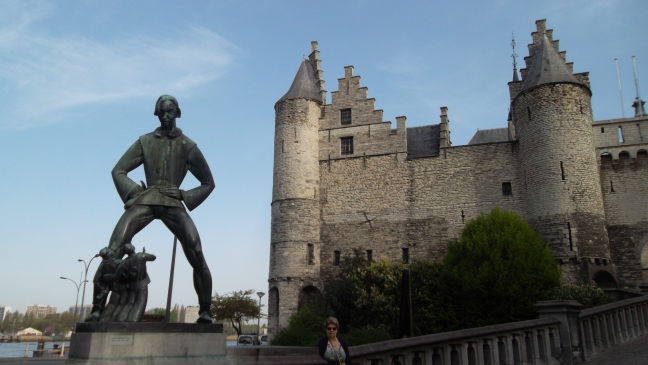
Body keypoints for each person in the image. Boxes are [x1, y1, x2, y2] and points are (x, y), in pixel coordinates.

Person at [104, 95, 215, 323]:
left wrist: (184, 195)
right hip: (146, 199)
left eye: (169, 112)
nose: (166, 116)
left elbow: (208, 182)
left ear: (176, 113)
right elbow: (118, 170)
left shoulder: (188, 145)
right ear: (157, 114)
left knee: (196, 251)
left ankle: (205, 310)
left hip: (173, 203)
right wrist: (134, 191)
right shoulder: (145, 141)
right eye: (161, 112)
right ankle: (99, 309)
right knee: (113, 247)